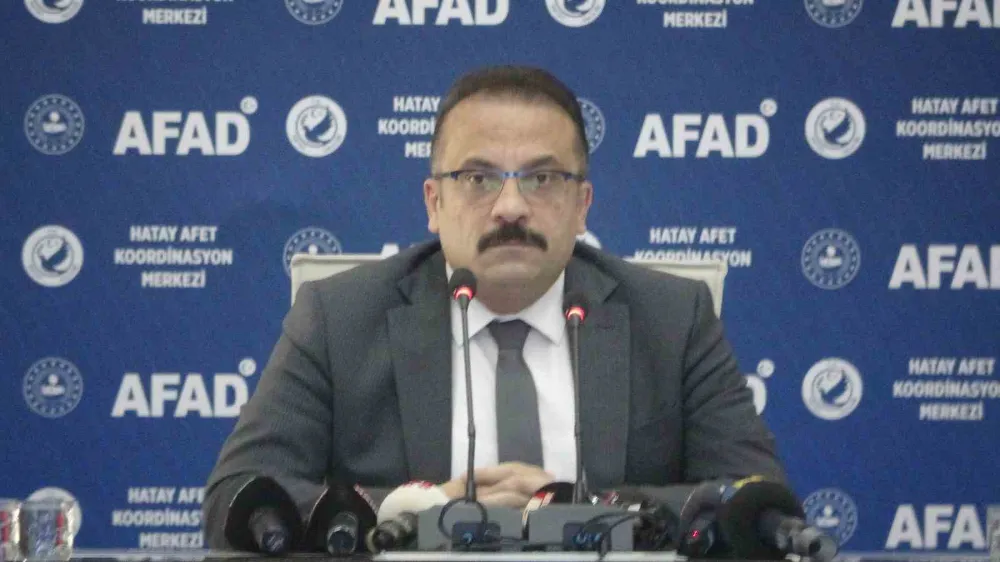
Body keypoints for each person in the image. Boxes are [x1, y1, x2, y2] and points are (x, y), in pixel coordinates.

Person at [203, 65, 785, 548]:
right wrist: (420, 510)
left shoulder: (672, 317)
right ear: (434, 202)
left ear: (582, 205)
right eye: (478, 178)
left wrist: (582, 509)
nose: (510, 206)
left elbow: (758, 504)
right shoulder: (339, 317)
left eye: (542, 178)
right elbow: (237, 497)